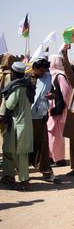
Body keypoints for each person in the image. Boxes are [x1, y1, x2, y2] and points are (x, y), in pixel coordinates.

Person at [0, 62, 34, 190]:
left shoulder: (17, 87)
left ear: (13, 73)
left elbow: (10, 105)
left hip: (18, 125)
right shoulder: (28, 85)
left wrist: (4, 97)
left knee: (21, 154)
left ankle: (24, 181)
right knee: (8, 150)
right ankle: (8, 175)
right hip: (19, 124)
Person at [29, 57, 59, 183]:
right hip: (26, 116)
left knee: (42, 145)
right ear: (34, 68)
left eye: (44, 70)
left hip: (40, 116)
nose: (43, 73)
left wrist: (52, 95)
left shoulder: (47, 78)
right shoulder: (25, 79)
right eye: (40, 70)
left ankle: (46, 172)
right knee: (26, 144)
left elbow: (53, 92)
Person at [47, 54, 71, 167]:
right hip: (55, 110)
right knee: (54, 134)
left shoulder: (53, 75)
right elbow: (67, 92)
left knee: (53, 134)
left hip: (53, 110)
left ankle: (55, 158)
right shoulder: (57, 75)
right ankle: (55, 158)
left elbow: (65, 93)